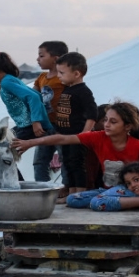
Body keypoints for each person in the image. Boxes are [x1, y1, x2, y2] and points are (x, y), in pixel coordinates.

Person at [13, 101, 139, 211]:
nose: (106, 124)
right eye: (105, 120)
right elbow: (63, 139)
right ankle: (127, 203)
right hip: (107, 191)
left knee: (97, 202)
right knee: (72, 199)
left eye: (113, 122)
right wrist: (30, 143)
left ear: (128, 126)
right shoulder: (98, 138)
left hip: (130, 190)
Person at [0, 51, 55, 180]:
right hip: (23, 125)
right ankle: (17, 184)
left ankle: (17, 185)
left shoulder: (7, 83)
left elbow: (33, 97)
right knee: (1, 152)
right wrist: (3, 90)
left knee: (0, 154)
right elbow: (33, 93)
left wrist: (36, 121)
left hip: (28, 126)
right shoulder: (8, 81)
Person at [54, 52, 97, 199]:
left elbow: (92, 114)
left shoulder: (84, 91)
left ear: (77, 73)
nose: (58, 75)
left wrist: (84, 135)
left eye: (61, 72)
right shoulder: (68, 89)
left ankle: (80, 194)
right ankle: (71, 193)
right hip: (64, 136)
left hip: (77, 136)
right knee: (67, 163)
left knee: (77, 163)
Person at [33, 41, 68, 183]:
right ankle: (43, 188)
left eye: (41, 56)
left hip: (62, 126)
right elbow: (32, 96)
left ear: (55, 58)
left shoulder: (64, 78)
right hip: (45, 126)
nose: (38, 59)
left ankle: (66, 188)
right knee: (40, 161)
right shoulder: (41, 77)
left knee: (65, 159)